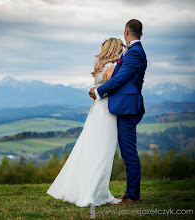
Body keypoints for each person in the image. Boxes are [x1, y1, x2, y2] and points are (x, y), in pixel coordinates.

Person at [46, 37, 124, 207]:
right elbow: (114, 87)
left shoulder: (99, 66)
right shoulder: (110, 68)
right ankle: (94, 193)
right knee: (103, 152)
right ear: (115, 50)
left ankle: (92, 190)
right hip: (106, 114)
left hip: (96, 111)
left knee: (90, 149)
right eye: (120, 49)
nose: (122, 52)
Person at [89, 19, 147, 206]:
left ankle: (133, 197)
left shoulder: (135, 53)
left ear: (126, 32)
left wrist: (99, 91)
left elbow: (120, 78)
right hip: (124, 105)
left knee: (129, 151)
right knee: (126, 151)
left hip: (128, 107)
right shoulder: (132, 52)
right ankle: (130, 193)